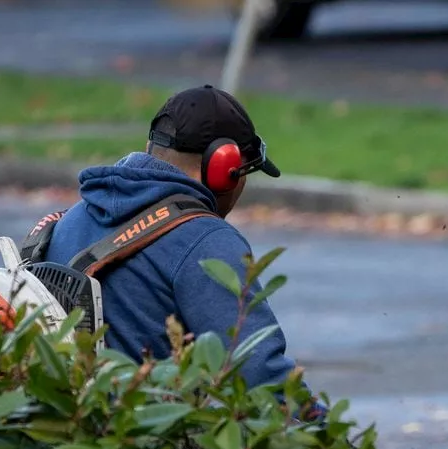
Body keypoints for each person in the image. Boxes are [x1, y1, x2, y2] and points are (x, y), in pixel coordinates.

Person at [31, 84, 322, 417]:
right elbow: (262, 379)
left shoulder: (72, 217)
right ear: (224, 170)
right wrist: (334, 448)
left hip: (63, 430)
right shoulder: (204, 239)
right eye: (245, 172)